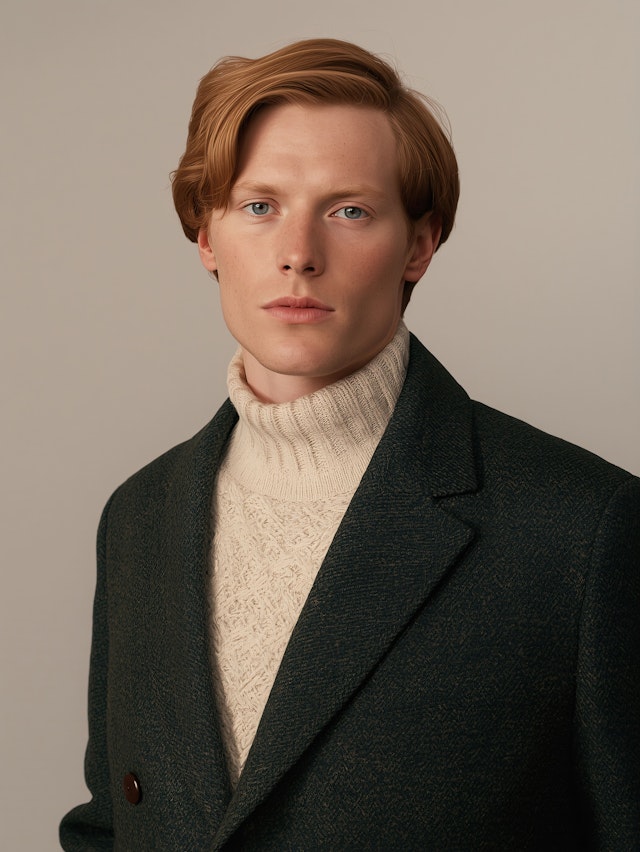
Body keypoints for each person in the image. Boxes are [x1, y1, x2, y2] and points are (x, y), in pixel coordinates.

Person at [60, 38, 639, 850]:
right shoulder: (139, 516)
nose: (298, 253)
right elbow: (111, 827)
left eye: (349, 211)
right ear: (206, 237)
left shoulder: (581, 528)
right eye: (259, 206)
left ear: (419, 245)